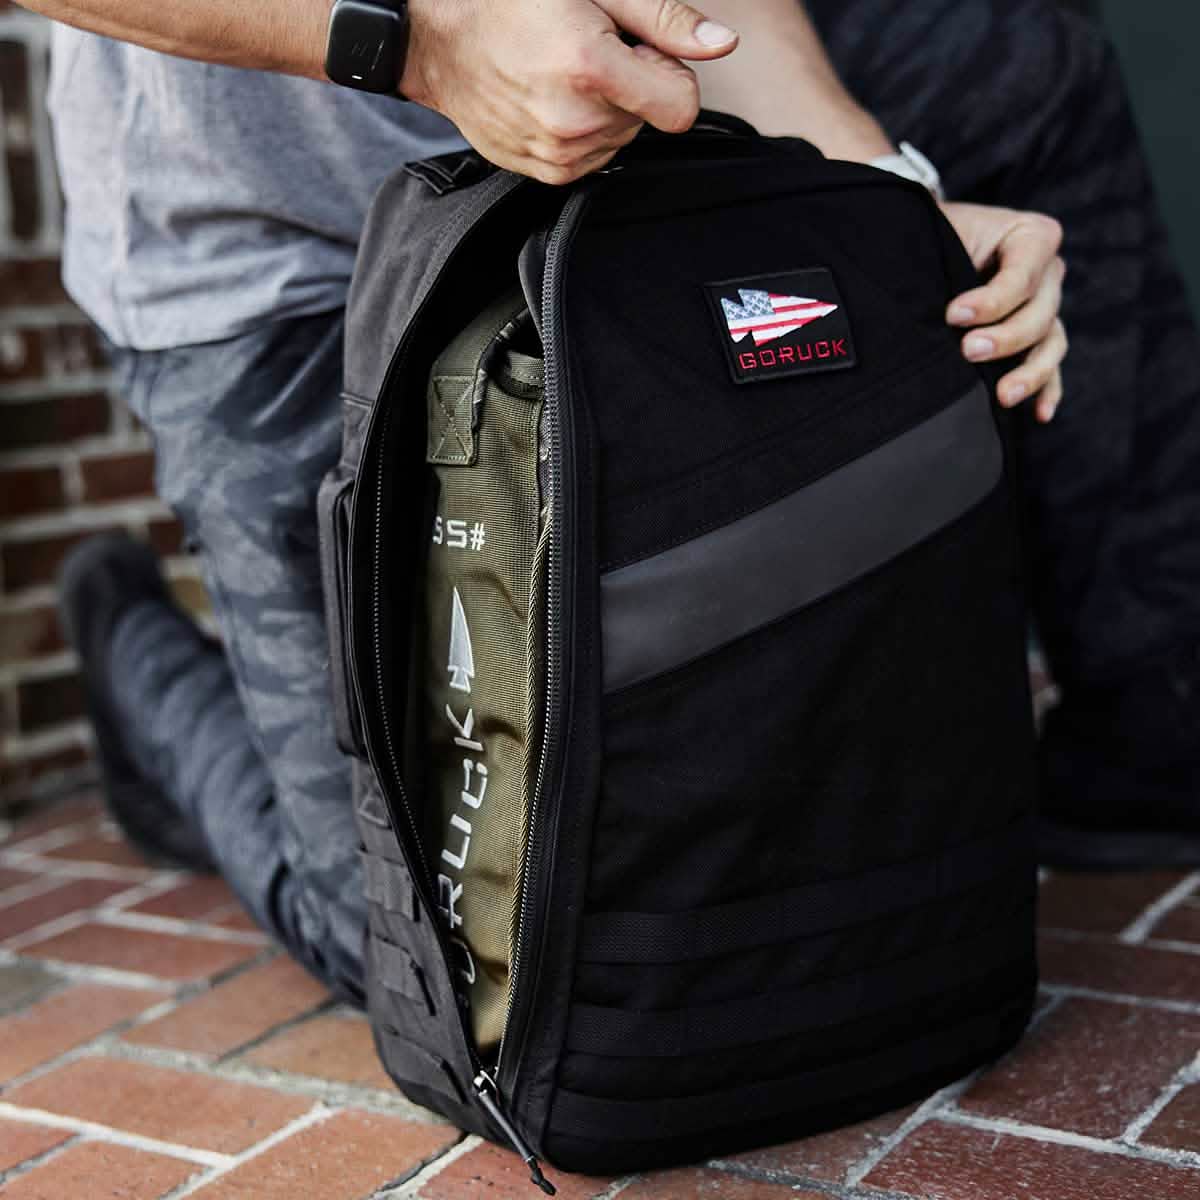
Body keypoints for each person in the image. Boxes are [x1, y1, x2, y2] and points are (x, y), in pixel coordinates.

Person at [27, 0, 1197, 1009]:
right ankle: (141, 661)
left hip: (590, 217)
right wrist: (419, 39)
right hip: (270, 273)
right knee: (423, 963)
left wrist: (892, 208)